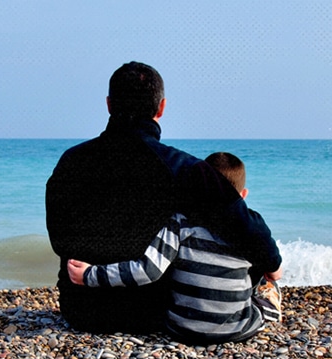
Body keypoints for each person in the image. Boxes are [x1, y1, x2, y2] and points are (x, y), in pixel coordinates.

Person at [46, 61, 281, 333]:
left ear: (109, 105)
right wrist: (272, 265)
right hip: (154, 313)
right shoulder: (184, 169)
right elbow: (247, 226)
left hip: (81, 310)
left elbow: (59, 240)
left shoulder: (70, 162)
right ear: (161, 107)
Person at [67, 152, 283, 344]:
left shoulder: (180, 222)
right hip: (236, 329)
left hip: (182, 328)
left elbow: (146, 270)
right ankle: (268, 300)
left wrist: (89, 274)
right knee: (265, 288)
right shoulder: (252, 228)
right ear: (243, 195)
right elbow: (276, 272)